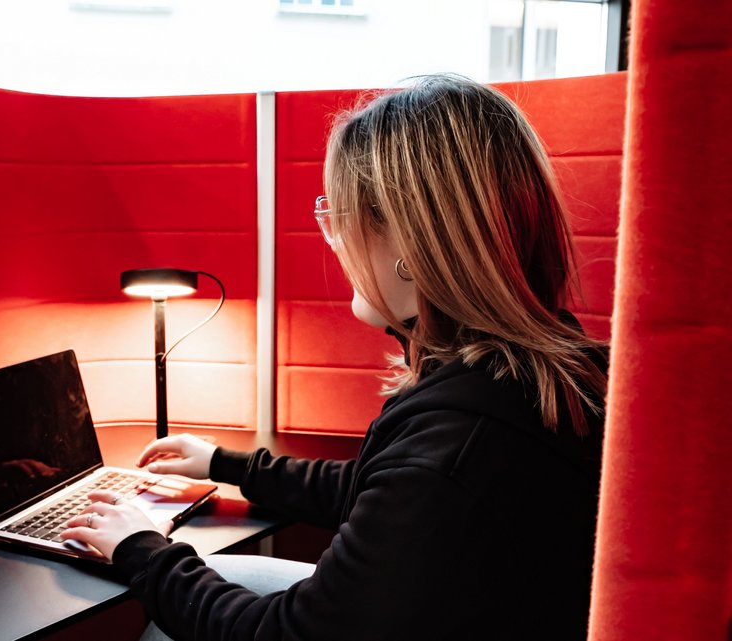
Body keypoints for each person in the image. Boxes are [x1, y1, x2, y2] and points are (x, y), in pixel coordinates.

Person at [62, 74, 608, 641]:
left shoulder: (455, 444)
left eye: (339, 218)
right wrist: (226, 464)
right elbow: (376, 491)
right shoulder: (531, 377)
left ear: (409, 248)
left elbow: (287, 634)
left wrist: (143, 551)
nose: (335, 242)